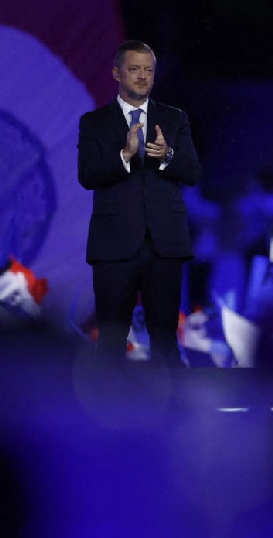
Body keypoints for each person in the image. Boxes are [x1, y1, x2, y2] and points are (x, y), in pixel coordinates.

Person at [77, 40, 201, 366]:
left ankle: (172, 412)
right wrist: (125, 156)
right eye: (135, 69)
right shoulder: (95, 122)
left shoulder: (174, 120)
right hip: (114, 245)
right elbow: (87, 175)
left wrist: (168, 156)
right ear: (117, 73)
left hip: (164, 245)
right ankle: (107, 412)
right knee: (112, 339)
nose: (143, 77)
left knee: (164, 337)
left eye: (148, 70)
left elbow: (192, 172)